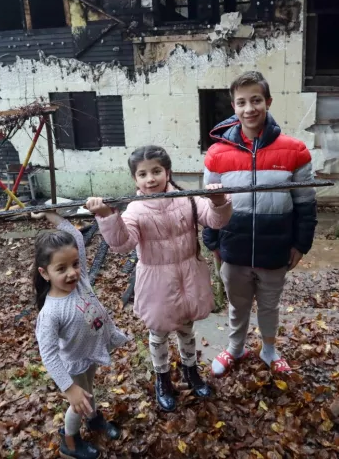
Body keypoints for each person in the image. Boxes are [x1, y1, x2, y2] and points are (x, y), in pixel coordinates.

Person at [86, 146, 232, 412]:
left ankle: (191, 372)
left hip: (188, 276)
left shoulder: (187, 198)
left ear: (168, 172)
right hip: (156, 281)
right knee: (159, 333)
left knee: (187, 329)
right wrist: (107, 216)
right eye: (142, 174)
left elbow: (214, 220)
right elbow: (122, 243)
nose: (150, 179)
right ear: (135, 179)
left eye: (156, 171)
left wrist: (219, 201)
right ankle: (162, 379)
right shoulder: (135, 210)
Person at [202, 71, 317, 377]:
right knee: (237, 305)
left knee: (268, 306)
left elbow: (305, 203)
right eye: (241, 102)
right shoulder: (216, 154)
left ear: (268, 102)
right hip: (234, 247)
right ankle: (235, 348)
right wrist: (213, 242)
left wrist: (300, 244)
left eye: (255, 100)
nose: (249, 108)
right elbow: (208, 202)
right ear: (233, 105)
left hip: (275, 248)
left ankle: (269, 349)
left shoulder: (294, 151)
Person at [34, 212, 128, 459]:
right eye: (61, 269)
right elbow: (49, 356)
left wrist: (49, 214)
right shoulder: (51, 312)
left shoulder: (81, 278)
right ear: (45, 273)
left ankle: (94, 419)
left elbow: (75, 235)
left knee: (89, 392)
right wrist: (68, 388)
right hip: (73, 364)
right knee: (78, 402)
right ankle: (70, 442)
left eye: (75, 264)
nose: (72, 273)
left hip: (90, 353)